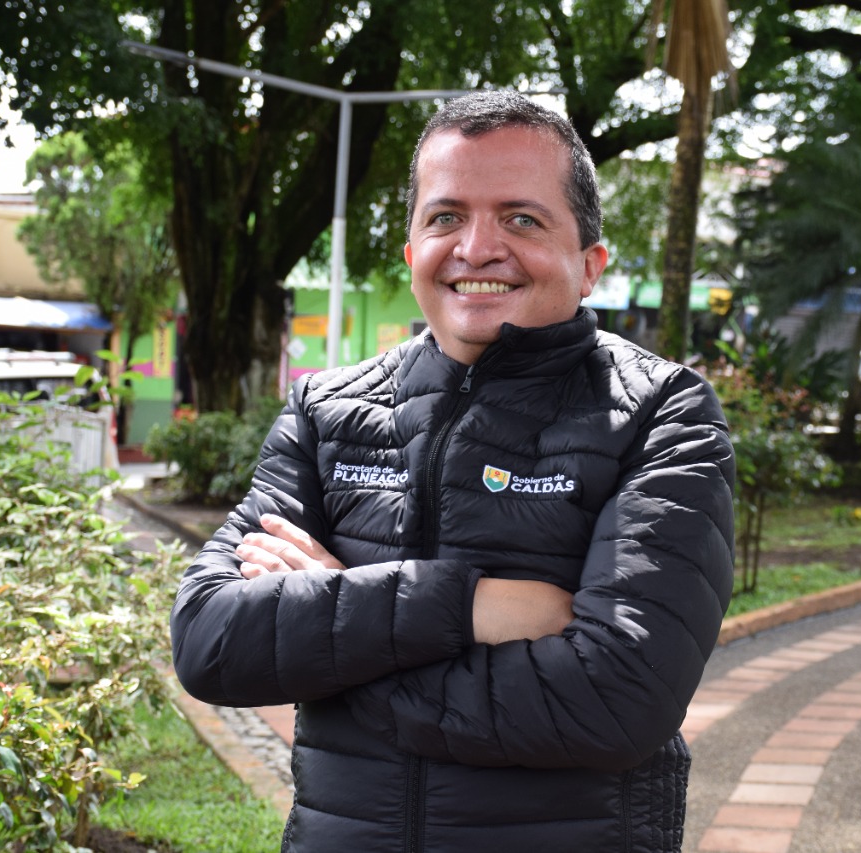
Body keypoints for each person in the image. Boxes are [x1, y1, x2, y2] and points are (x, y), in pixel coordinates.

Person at [170, 90, 735, 852]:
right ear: (411, 254)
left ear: (590, 263)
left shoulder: (659, 414)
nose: (476, 247)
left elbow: (618, 699)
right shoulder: (324, 411)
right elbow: (210, 642)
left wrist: (331, 633)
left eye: (521, 218)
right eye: (445, 217)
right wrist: (468, 606)